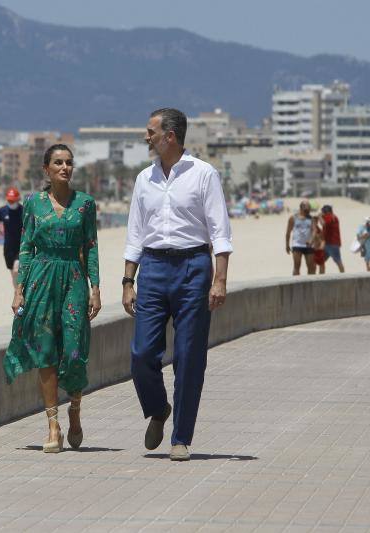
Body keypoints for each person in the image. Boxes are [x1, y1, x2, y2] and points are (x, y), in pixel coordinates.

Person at [123, 108, 232, 461]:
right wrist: (128, 280)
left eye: (150, 131)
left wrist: (220, 279)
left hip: (193, 268)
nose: (146, 137)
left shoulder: (204, 174)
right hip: (152, 267)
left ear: (170, 135)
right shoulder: (144, 179)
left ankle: (181, 437)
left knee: (188, 358)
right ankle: (158, 408)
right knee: (141, 354)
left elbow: (219, 230)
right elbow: (135, 233)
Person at [4, 144, 101, 453]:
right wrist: (19, 289)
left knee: (73, 349)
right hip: (41, 281)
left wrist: (95, 287)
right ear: (46, 169)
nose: (65, 167)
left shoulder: (85, 204)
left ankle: (74, 408)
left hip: (73, 278)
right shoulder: (33, 204)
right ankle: (52, 424)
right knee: (45, 349)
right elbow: (26, 247)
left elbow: (92, 246)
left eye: (69, 162)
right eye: (58, 162)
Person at [0, 187, 24, 288]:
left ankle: (19, 293)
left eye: (12, 200)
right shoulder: (2, 210)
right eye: (9, 200)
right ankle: (17, 293)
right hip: (8, 247)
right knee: (13, 273)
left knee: (16, 270)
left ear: (18, 199)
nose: (10, 202)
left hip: (21, 246)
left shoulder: (23, 210)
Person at [285, 200, 317, 275]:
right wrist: (287, 245)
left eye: (309, 210)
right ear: (301, 208)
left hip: (309, 245)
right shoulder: (293, 218)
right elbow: (288, 232)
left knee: (311, 267)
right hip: (297, 245)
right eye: (306, 210)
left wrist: (311, 240)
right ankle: (296, 285)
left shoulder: (311, 219)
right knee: (296, 267)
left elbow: (314, 230)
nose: (308, 212)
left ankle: (311, 285)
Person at [321, 205, 345, 273]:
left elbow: (323, 224)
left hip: (332, 243)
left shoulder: (330, 217)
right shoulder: (333, 217)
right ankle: (321, 276)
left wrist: (320, 216)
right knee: (322, 261)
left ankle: (343, 276)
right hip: (329, 243)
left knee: (338, 261)